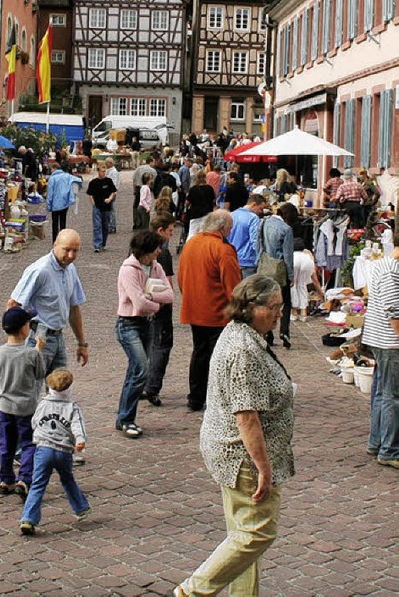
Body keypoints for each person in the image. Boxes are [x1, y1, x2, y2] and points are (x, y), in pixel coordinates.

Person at [173, 276, 295, 597]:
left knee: (242, 533)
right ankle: (191, 591)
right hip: (240, 457)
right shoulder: (242, 349)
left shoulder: (243, 334)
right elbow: (246, 418)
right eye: (274, 308)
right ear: (252, 308)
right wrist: (264, 469)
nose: (279, 314)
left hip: (228, 448)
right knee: (256, 534)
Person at [177, 210, 241, 411]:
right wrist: (238, 310)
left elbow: (181, 277)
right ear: (222, 228)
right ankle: (216, 398)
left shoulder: (191, 244)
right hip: (217, 312)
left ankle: (195, 396)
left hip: (194, 309)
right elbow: (233, 285)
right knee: (218, 356)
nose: (230, 232)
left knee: (199, 353)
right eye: (229, 228)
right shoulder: (222, 249)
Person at [7, 229, 89, 375]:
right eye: (66, 250)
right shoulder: (40, 270)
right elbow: (13, 304)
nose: (70, 256)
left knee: (61, 389)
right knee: (32, 387)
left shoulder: (70, 269)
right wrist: (16, 342)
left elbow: (74, 307)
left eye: (75, 251)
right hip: (37, 336)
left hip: (58, 337)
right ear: (55, 245)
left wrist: (82, 343)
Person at [115, 231, 173, 437]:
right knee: (141, 369)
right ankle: (127, 419)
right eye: (157, 247)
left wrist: (149, 296)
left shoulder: (156, 267)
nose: (160, 250)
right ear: (147, 250)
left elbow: (170, 294)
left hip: (146, 324)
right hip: (128, 324)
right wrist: (155, 306)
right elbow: (137, 302)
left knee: (134, 371)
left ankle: (123, 418)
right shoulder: (128, 270)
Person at [19, 368, 90, 534]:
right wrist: (80, 440)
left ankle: (28, 518)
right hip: (63, 451)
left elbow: (34, 422)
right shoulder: (72, 407)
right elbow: (78, 425)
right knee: (67, 479)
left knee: (38, 484)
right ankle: (81, 507)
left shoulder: (43, 404)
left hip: (43, 449)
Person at [0, 307, 47, 498]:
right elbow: (40, 374)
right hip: (27, 407)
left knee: (6, 443)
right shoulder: (31, 354)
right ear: (25, 328)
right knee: (29, 443)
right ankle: (25, 478)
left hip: (4, 406)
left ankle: (6, 479)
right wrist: (38, 349)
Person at [361, 231, 399, 468]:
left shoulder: (385, 265)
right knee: (391, 396)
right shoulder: (390, 271)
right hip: (389, 341)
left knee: (381, 392)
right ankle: (390, 449)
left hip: (381, 339)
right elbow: (394, 312)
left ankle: (377, 442)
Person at [143, 213, 177, 406]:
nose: (171, 235)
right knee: (161, 347)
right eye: (170, 231)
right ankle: (152, 387)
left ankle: (143, 383)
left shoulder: (139, 248)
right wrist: (168, 300)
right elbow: (168, 283)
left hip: (145, 303)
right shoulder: (162, 253)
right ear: (160, 230)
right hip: (160, 304)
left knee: (148, 345)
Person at [259, 203, 295, 348]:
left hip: (265, 265)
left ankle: (268, 332)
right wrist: (291, 274)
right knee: (286, 302)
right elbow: (288, 255)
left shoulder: (263, 223)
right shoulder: (286, 229)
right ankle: (284, 331)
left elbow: (259, 244)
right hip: (279, 268)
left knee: (268, 301)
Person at [228, 194, 268, 277]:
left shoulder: (231, 215)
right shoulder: (253, 218)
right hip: (248, 261)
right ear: (254, 204)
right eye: (261, 208)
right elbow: (255, 241)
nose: (261, 212)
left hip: (232, 259)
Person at [45, 161, 82, 242]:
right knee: (63, 220)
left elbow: (50, 194)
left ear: (54, 168)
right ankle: (63, 238)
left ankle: (55, 240)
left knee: (55, 222)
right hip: (65, 202)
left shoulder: (52, 178)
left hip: (55, 203)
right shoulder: (67, 176)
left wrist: (48, 206)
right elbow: (78, 180)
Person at [86, 162, 117, 252]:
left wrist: (110, 199)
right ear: (98, 171)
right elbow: (90, 194)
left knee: (105, 226)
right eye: (102, 171)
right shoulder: (93, 182)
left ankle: (103, 243)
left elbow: (113, 192)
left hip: (107, 207)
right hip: (97, 206)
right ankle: (97, 245)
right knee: (97, 226)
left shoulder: (108, 181)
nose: (103, 173)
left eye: (105, 171)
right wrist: (93, 204)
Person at [291, 238, 323, 322]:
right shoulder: (307, 256)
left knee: (293, 286)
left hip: (294, 261)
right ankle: (303, 313)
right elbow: (314, 278)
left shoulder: (291, 255)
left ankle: (294, 312)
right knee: (302, 285)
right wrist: (320, 292)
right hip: (307, 262)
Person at [185, 171, 216, 240]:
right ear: (205, 178)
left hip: (195, 213)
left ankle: (189, 247)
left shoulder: (193, 189)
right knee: (204, 234)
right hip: (207, 213)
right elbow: (213, 201)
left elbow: (187, 202)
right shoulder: (210, 188)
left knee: (192, 233)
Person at [132, 157, 157, 228]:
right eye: (154, 162)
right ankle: (144, 223)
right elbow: (155, 182)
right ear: (151, 162)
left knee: (136, 205)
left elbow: (134, 179)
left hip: (138, 188)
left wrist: (134, 189)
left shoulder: (138, 168)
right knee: (145, 204)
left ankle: (136, 222)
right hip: (148, 188)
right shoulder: (153, 171)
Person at [105, 157, 121, 233]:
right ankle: (109, 225)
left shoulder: (114, 172)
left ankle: (111, 226)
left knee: (110, 210)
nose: (105, 164)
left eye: (106, 163)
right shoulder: (109, 171)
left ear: (110, 163)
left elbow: (113, 184)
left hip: (110, 193)